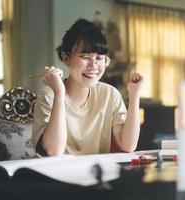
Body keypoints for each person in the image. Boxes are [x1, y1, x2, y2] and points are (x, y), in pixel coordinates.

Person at [32, 18, 143, 156]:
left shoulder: (110, 94)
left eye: (99, 58)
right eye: (84, 57)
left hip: (95, 174)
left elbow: (128, 145)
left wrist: (134, 96)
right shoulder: (49, 95)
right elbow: (54, 152)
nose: (93, 66)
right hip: (56, 174)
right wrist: (59, 93)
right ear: (66, 58)